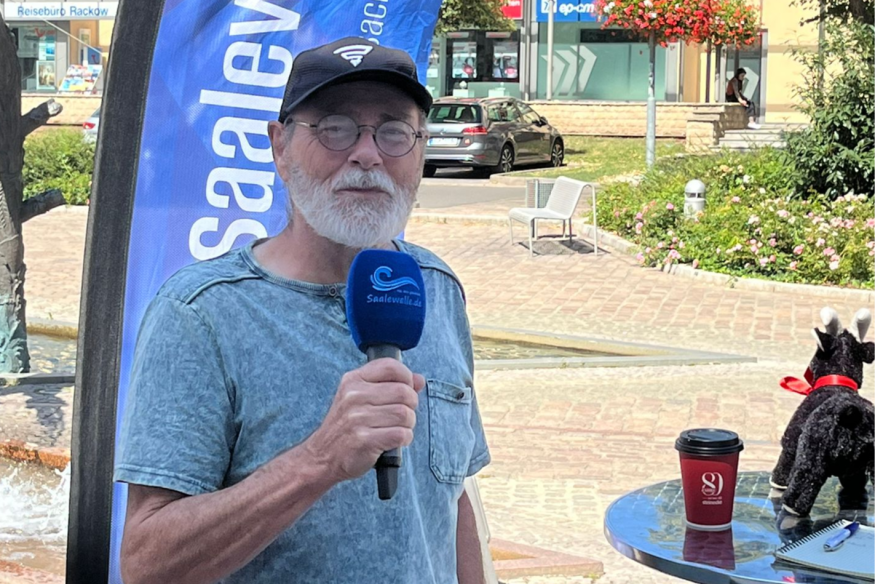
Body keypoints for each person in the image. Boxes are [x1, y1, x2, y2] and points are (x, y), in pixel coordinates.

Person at [114, 37, 490, 584]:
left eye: (393, 131)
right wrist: (318, 460)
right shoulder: (200, 314)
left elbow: (452, 503)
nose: (367, 154)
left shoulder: (436, 288)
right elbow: (147, 563)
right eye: (335, 128)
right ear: (280, 148)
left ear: (421, 149)